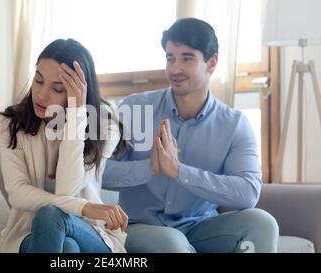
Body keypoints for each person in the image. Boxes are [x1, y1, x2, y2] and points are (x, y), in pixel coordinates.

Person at [102, 18, 279, 253]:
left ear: (212, 62)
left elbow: (247, 193)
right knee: (172, 243)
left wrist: (179, 172)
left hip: (200, 227)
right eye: (170, 58)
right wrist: (149, 168)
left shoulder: (234, 125)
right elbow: (98, 172)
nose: (175, 69)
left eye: (187, 58)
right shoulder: (134, 109)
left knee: (262, 223)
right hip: (138, 227)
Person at [0, 39, 128, 253]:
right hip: (30, 234)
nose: (42, 94)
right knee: (66, 247)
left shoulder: (105, 125)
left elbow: (67, 189)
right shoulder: (11, 123)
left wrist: (77, 113)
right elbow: (18, 193)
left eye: (57, 88)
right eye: (38, 81)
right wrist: (85, 207)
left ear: (79, 92)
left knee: (51, 215)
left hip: (93, 236)